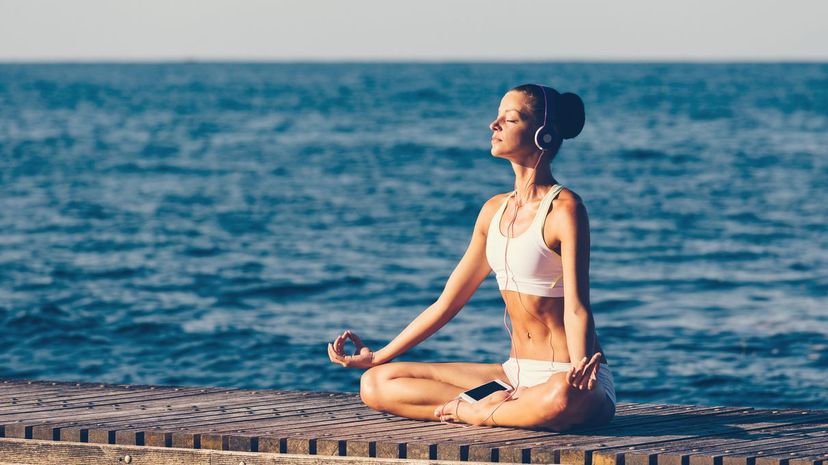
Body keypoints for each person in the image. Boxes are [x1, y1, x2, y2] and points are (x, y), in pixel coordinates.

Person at [327, 84, 615, 431]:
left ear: (544, 135)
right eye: (497, 117)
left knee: (562, 398)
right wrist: (380, 355)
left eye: (509, 119)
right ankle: (493, 407)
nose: (494, 125)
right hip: (512, 376)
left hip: (565, 376)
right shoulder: (493, 211)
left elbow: (577, 307)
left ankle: (472, 410)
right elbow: (447, 303)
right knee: (376, 383)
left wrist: (581, 369)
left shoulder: (565, 209)